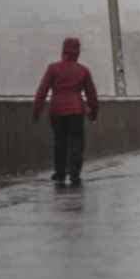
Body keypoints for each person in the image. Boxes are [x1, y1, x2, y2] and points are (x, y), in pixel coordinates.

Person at [32, 37, 99, 187]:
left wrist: (36, 111)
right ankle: (74, 173)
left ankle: (60, 172)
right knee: (76, 141)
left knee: (59, 141)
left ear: (63, 50)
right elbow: (91, 95)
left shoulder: (53, 68)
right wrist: (93, 112)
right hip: (76, 110)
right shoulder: (83, 71)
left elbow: (42, 91)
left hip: (56, 110)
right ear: (77, 52)